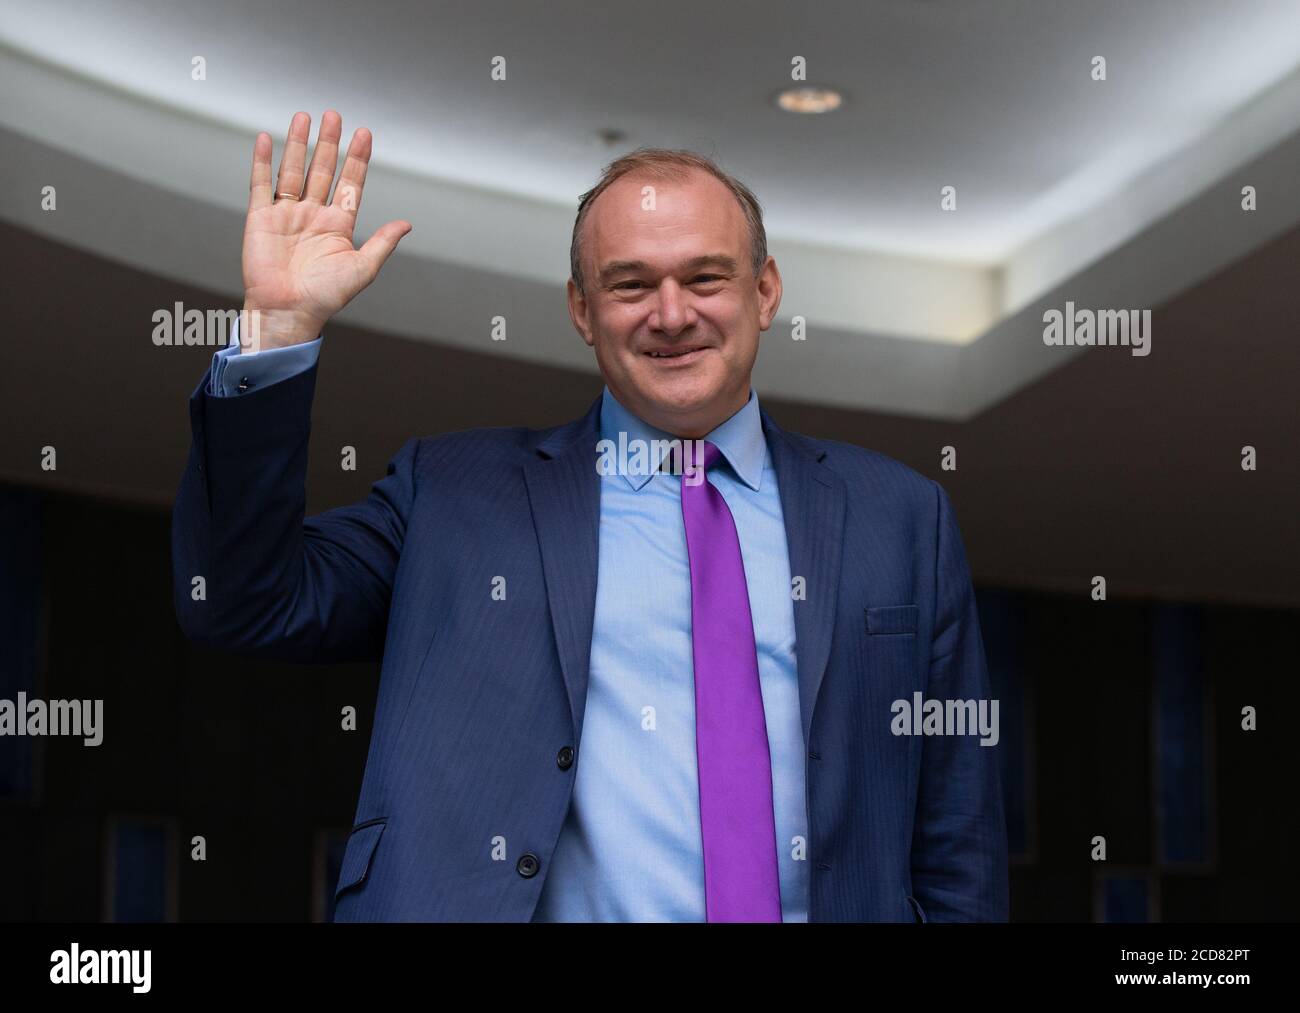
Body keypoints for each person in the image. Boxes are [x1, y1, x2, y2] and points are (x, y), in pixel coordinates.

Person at [172, 110, 1008, 922]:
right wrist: (279, 332)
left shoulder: (900, 517)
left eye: (705, 277)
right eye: (631, 284)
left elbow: (957, 840)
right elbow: (242, 602)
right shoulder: (455, 493)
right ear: (582, 311)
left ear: (765, 289)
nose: (671, 314)